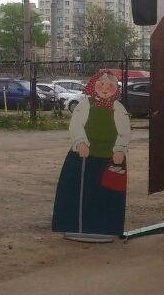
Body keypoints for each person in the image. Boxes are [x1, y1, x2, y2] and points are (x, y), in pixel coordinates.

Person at [51, 70, 131, 239]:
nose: (105, 88)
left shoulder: (119, 108)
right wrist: (80, 142)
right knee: (78, 192)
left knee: (108, 194)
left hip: (110, 159)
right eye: (101, 84)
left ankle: (106, 229)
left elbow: (124, 131)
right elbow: (76, 125)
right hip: (83, 157)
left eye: (110, 85)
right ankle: (76, 227)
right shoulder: (84, 104)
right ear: (94, 86)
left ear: (115, 89)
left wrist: (120, 149)